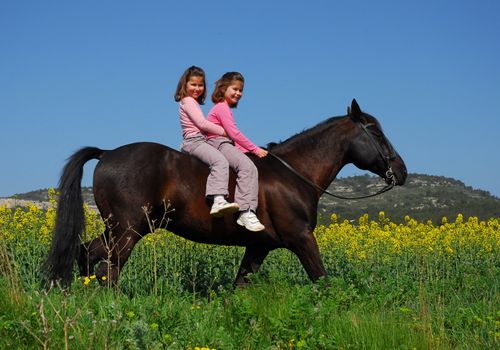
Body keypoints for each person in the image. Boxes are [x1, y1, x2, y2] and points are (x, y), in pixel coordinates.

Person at [206, 72, 268, 232]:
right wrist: (255, 149)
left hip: (222, 143)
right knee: (248, 168)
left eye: (241, 90)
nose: (238, 93)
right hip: (218, 143)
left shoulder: (223, 108)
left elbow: (232, 140)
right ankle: (246, 212)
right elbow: (234, 134)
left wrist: (247, 150)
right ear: (223, 88)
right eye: (235, 89)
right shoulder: (221, 108)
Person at [174, 66, 239, 217]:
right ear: (185, 85)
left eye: (200, 85)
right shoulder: (188, 101)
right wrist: (224, 132)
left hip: (199, 140)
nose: (197, 88)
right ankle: (218, 200)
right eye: (193, 84)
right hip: (194, 142)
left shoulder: (191, 102)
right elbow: (202, 124)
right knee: (220, 162)